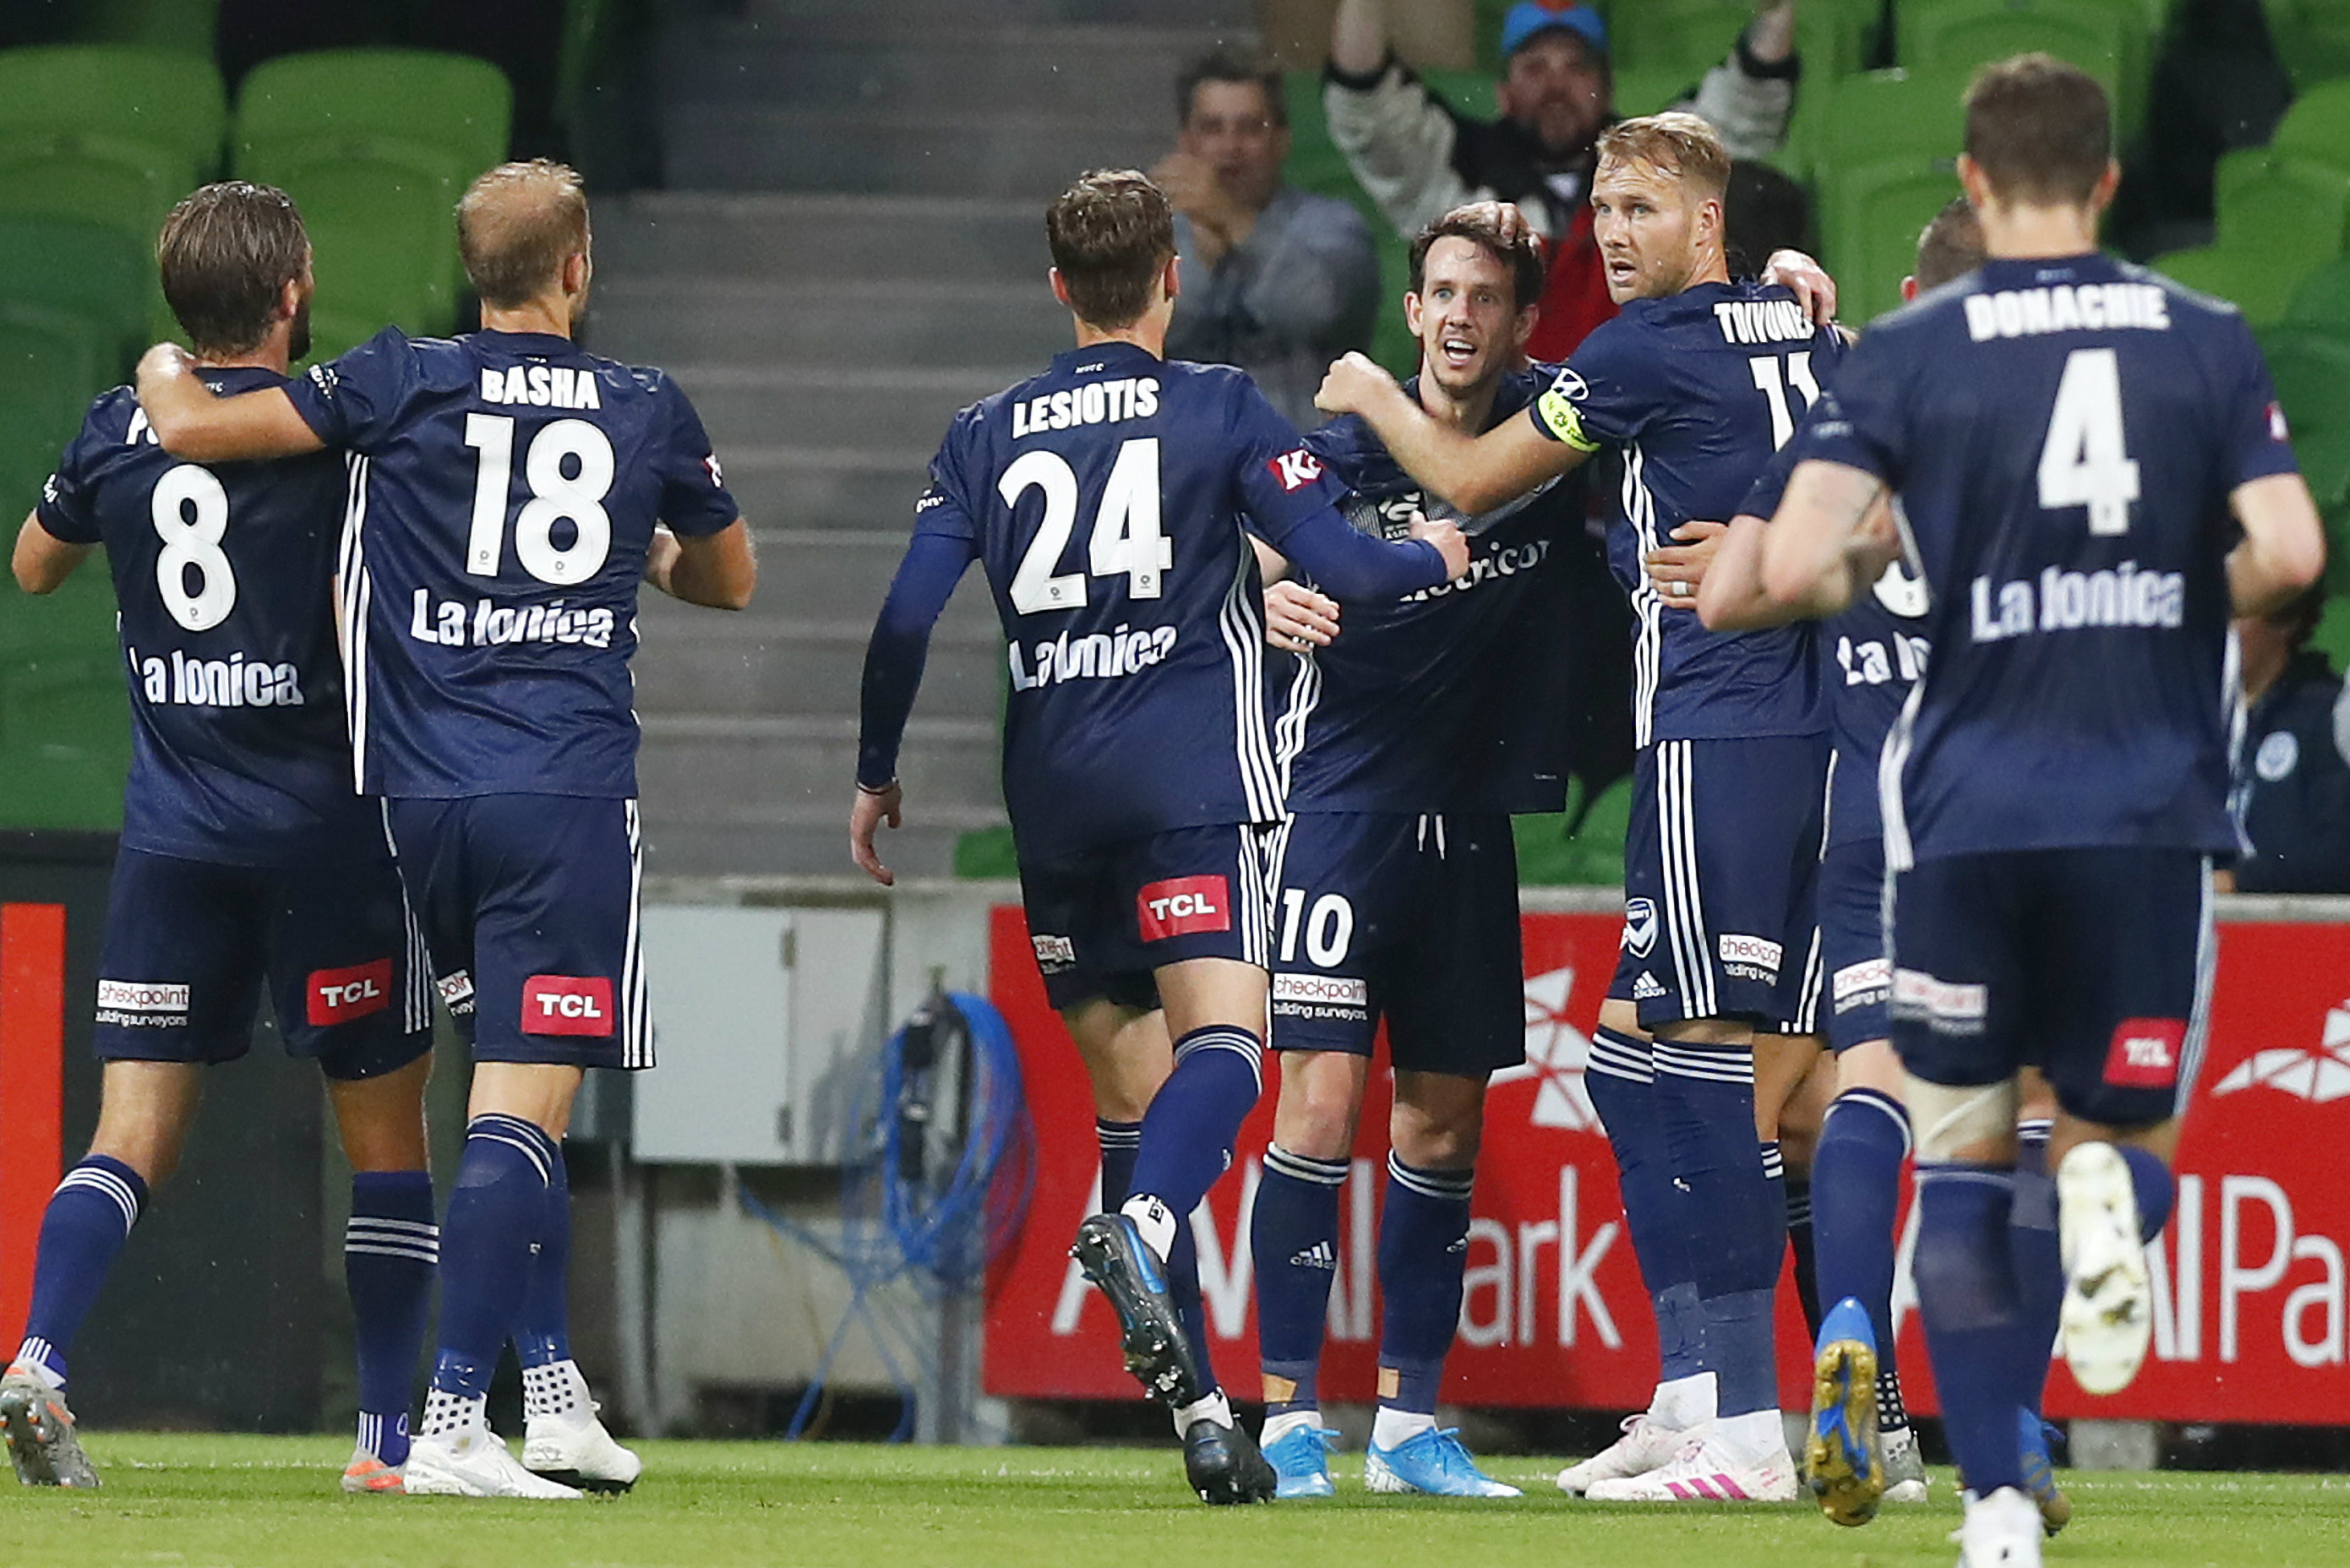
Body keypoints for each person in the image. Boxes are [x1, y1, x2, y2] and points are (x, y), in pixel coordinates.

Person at [1747, 55, 2322, 1568]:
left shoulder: (1913, 360)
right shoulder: (2196, 337)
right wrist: (2154, 598)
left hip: (1957, 810)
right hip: (2142, 801)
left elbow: (1798, 569)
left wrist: (1847, 564)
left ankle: (1998, 1505)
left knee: (1955, 1143)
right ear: (2115, 181)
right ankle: (2106, 1203)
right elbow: (2289, 549)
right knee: (2109, 1125)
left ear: (1978, 182)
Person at [131, 159, 759, 1499]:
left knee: (514, 1086)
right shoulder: (643, 401)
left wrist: (157, 366)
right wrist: (638, 550)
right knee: (520, 1109)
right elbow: (732, 575)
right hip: (564, 793)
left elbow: (194, 431)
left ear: (471, 270)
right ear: (578, 268)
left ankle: (552, 1394)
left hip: (419, 804)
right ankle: (459, 1420)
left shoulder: (399, 378)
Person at [849, 168, 1465, 1505]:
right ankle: (1133, 1229)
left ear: (1058, 287)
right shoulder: (1220, 407)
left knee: (1134, 1110)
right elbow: (1349, 570)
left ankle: (1198, 1420)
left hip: (1054, 797)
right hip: (1190, 787)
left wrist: (877, 772)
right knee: (1232, 1056)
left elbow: (903, 622)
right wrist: (1438, 559)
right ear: (1172, 278)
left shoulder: (983, 431)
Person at [1316, 112, 1840, 1505]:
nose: (1612, 234)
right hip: (1822, 734)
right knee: (1636, 1058)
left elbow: (1472, 479)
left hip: (1718, 727)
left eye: (1639, 210)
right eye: (1602, 208)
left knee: (1713, 1064)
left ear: (1705, 219)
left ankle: (1747, 1425)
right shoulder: (1798, 329)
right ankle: (1701, 1391)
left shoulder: (1644, 349)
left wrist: (1369, 396)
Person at [0, 182, 437, 1495]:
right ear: (294, 295)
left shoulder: (118, 426)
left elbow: (32, 566)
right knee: (387, 1145)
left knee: (125, 1135)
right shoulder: (341, 431)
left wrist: (132, 413)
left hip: (174, 838)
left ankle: (37, 1354)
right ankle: (382, 1449)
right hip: (328, 839)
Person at [1244, 207, 1588, 1500]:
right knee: (1321, 1107)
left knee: (1441, 1130)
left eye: (1483, 298)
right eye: (1439, 293)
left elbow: (1477, 467)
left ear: (1519, 324)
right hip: (1338, 812)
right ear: (1413, 307)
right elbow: (1260, 547)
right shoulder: (1331, 451)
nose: (1458, 316)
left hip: (1468, 827)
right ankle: (1285, 1416)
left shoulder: (1549, 436)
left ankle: (1408, 1428)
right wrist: (1266, 591)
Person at [1325, 0, 1801, 361]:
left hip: (1634, 444)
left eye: (1576, 67)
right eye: (1535, 67)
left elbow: (1746, 103)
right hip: (1492, 449)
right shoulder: (1452, 169)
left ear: (1608, 86)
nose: (1556, 85)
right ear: (1504, 93)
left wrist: (1778, 10)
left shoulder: (1654, 165)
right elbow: (1364, 100)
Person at [1157, 48, 1381, 430]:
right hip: (1185, 466)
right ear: (1185, 142)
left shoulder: (1334, 225)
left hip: (1307, 461)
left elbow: (1321, 310)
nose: (1231, 148)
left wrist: (1233, 222)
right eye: (1212, 128)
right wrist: (1202, 254)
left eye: (1249, 128)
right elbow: (1145, 333)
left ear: (1282, 140)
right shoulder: (1158, 235)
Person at [2223, 585, 2350, 893]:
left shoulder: (2327, 719)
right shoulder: (2191, 718)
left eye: (2234, 616)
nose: (2218, 631)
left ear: (2285, 619)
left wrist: (2238, 881)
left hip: (2295, 933)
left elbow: (2337, 856)